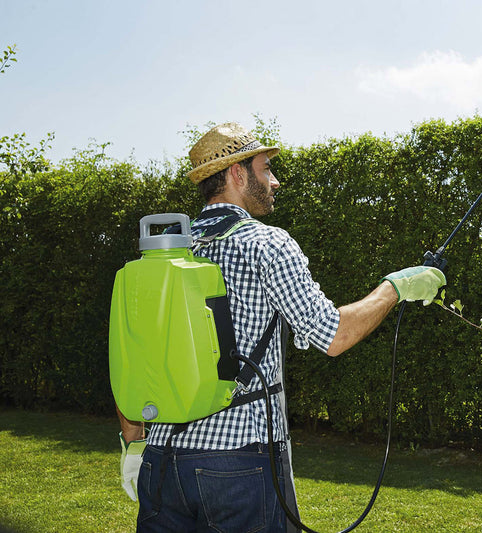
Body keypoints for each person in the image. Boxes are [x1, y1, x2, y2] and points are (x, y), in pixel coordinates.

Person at [115, 122, 445, 532]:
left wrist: (133, 443)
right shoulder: (267, 244)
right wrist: (395, 287)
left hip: (161, 464)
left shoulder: (165, 254)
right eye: (266, 168)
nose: (275, 180)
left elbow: (130, 357)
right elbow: (333, 335)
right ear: (237, 174)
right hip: (238, 466)